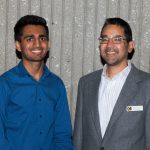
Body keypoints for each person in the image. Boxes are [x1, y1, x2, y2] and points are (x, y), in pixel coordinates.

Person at [73, 17, 150, 150]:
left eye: (117, 39)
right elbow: (79, 136)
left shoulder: (146, 85)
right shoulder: (86, 83)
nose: (109, 45)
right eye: (104, 39)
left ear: (130, 46)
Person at [0, 15, 73, 150]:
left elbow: (63, 133)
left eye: (42, 38)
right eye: (30, 38)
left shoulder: (56, 84)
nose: (37, 44)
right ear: (18, 45)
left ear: (48, 44)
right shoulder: (4, 84)